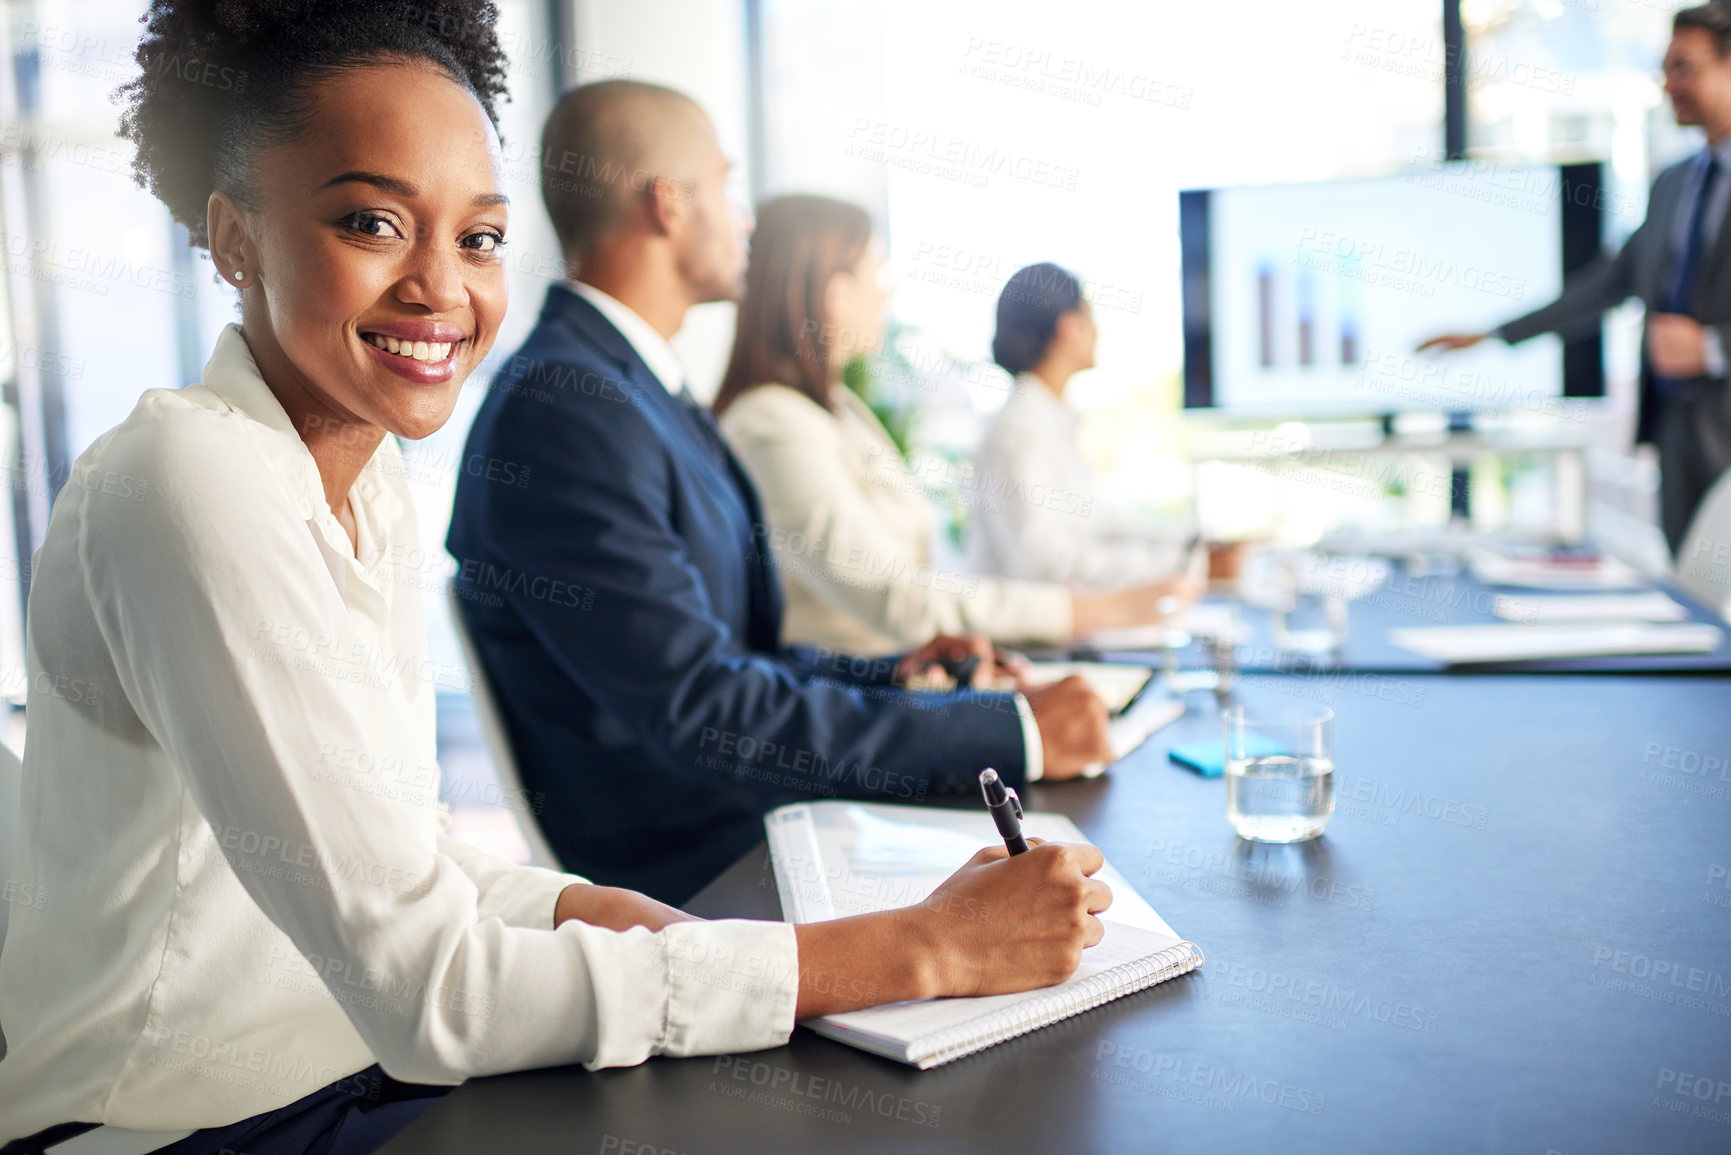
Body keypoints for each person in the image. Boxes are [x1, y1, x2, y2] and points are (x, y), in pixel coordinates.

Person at [0, 10, 1114, 1153]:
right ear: (233, 240)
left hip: (354, 1072)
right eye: (371, 221)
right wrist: (919, 949)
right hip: (178, 1124)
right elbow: (434, 990)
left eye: (478, 237)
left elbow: (407, 861)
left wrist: (576, 903)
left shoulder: (362, 483)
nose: (440, 285)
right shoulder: (190, 471)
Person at [446, 81, 1114, 907]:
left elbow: (732, 658)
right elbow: (702, 708)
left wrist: (891, 676)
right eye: (726, 186)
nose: (746, 217)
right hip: (698, 865)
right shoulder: (566, 409)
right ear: (668, 204)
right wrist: (1007, 730)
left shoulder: (634, 389)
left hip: (748, 814)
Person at [712, 196, 1205, 658]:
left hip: (919, 667)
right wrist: (1095, 609)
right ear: (837, 296)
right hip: (860, 699)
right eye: (877, 274)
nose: (888, 292)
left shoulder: (836, 411)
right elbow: (894, 593)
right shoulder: (774, 424)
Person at [1419, 2, 1731, 555]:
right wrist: (1493, 333)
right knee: (1696, 607)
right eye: (1664, 68)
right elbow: (1608, 284)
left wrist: (1711, 348)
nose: (1668, 84)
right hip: (1679, 433)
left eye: (1684, 67)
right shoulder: (1676, 183)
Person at [971, 263, 1219, 589]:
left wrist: (1188, 545)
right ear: (1069, 328)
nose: (1098, 332)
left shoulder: (1050, 421)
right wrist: (1184, 565)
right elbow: (1046, 566)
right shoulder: (1017, 433)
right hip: (1034, 637)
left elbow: (1098, 522)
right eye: (1090, 317)